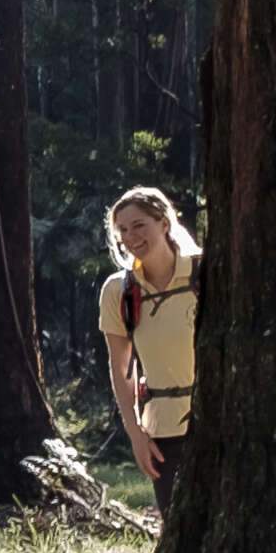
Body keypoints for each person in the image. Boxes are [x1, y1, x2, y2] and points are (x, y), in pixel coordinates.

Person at [98, 185, 200, 502]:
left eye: (139, 225)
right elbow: (120, 368)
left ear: (164, 222)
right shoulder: (119, 290)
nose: (130, 237)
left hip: (221, 422)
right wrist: (135, 434)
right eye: (122, 230)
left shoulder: (204, 272)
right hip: (163, 432)